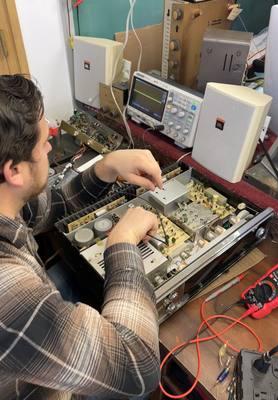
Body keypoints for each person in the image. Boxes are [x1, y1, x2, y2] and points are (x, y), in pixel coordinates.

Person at [0, 74, 163, 400]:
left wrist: (107, 167)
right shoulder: (6, 291)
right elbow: (137, 369)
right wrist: (122, 245)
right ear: (13, 171)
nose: (50, 146)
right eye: (44, 141)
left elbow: (49, 205)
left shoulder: (8, 203)